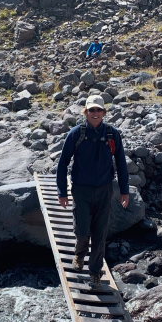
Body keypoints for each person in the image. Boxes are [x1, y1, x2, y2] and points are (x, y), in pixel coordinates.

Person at [56, 94, 130, 287]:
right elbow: (63, 163)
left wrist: (124, 191)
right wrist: (62, 192)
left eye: (98, 110)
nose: (95, 113)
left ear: (104, 112)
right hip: (81, 190)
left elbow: (121, 163)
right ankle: (79, 254)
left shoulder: (112, 134)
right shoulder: (76, 133)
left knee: (100, 232)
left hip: (105, 190)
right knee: (82, 231)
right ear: (86, 112)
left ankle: (95, 272)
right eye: (91, 110)